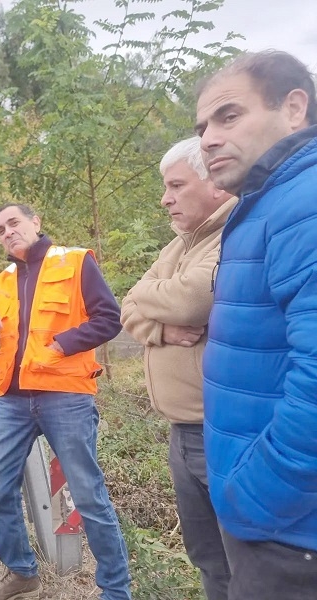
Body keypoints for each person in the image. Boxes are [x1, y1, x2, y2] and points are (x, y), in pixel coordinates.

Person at [0, 204, 130, 600]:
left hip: (66, 395)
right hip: (14, 399)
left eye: (14, 223)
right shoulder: (2, 282)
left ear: (36, 222)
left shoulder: (76, 261)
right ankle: (21, 572)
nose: (7, 232)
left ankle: (115, 591)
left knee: (87, 494)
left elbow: (109, 319)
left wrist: (61, 346)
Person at [194, 50, 317, 599]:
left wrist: (255, 495)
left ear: (294, 109)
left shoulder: (304, 203)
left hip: (289, 532)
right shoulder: (266, 202)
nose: (208, 139)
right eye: (202, 127)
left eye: (228, 116)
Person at [121, 137, 235, 600]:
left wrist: (162, 300)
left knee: (245, 558)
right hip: (183, 432)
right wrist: (162, 331)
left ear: (213, 183)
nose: (165, 199)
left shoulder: (233, 232)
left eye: (175, 186)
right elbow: (129, 302)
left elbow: (191, 300)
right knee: (207, 555)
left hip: (222, 431)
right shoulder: (179, 245)